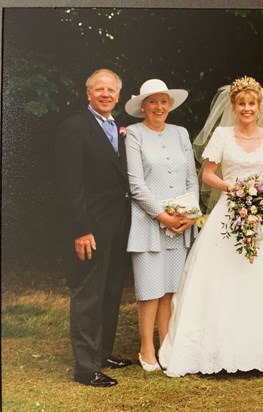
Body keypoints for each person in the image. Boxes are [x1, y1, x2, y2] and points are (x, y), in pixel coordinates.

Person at [158, 76, 263, 376]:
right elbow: (207, 174)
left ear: (259, 105)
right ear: (234, 106)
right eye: (242, 103)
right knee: (221, 274)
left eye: (252, 103)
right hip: (228, 211)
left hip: (260, 211)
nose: (247, 108)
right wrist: (232, 188)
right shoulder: (223, 135)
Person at [54, 69, 132, 387]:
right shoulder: (74, 128)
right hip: (91, 228)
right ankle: (86, 368)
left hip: (118, 225)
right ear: (88, 94)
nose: (105, 94)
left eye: (110, 90)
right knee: (88, 295)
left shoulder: (119, 130)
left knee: (111, 292)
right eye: (98, 89)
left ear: (118, 95)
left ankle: (102, 354)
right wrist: (81, 229)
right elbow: (69, 185)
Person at [124, 79, 199, 372]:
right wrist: (162, 216)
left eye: (163, 101)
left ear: (170, 104)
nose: (158, 107)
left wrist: (190, 214)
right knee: (149, 290)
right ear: (143, 105)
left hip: (180, 224)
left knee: (169, 289)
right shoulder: (134, 134)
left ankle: (166, 345)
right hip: (148, 223)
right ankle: (146, 349)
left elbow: (192, 178)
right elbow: (136, 184)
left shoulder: (181, 133)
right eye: (152, 102)